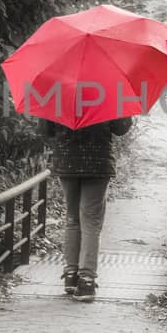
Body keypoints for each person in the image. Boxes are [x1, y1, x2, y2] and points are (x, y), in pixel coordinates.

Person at [39, 115, 133, 301]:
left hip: (67, 162)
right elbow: (121, 129)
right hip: (97, 163)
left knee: (72, 219)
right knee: (91, 222)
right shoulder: (108, 92)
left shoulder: (58, 92)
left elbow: (46, 131)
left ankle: (71, 275)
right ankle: (87, 280)